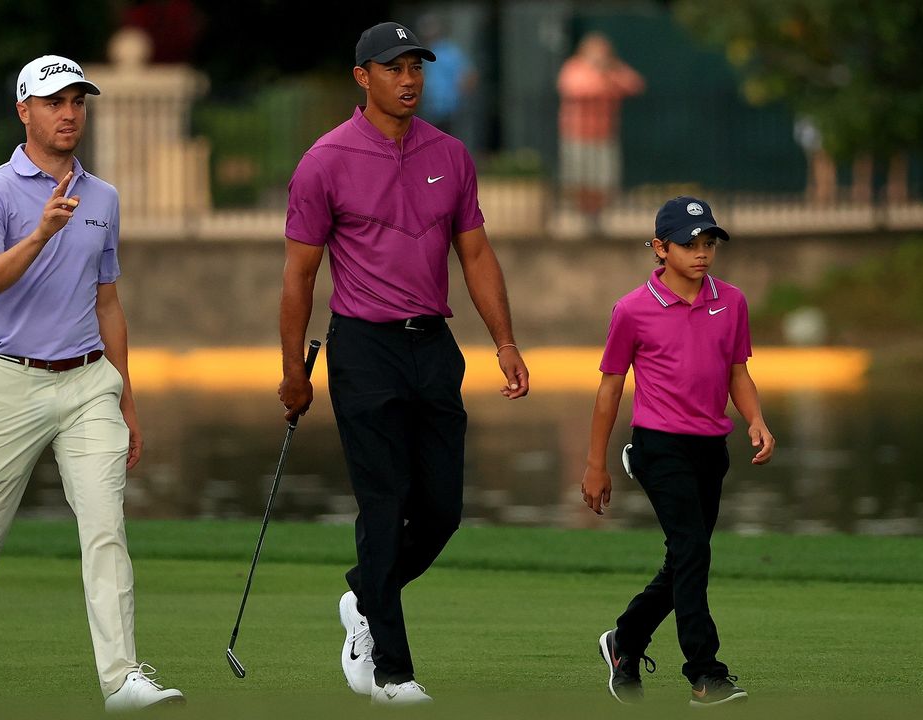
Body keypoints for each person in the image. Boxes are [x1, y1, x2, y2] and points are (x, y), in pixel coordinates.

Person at [278, 21, 530, 707]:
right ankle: (392, 670)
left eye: (417, 65)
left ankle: (364, 595)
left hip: (432, 348)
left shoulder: (451, 154)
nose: (410, 78)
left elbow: (475, 254)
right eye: (394, 67)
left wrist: (504, 340)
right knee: (384, 504)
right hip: (363, 348)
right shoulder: (324, 161)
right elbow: (299, 277)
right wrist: (293, 371)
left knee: (442, 510)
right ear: (364, 77)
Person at [0, 55, 183, 716]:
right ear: (25, 111)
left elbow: (108, 303)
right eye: (54, 101)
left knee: (105, 527)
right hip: (9, 381)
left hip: (89, 382)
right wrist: (39, 232)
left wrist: (126, 398)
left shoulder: (104, 198)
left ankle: (121, 678)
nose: (69, 113)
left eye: (77, 101)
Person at [580, 196, 775, 707]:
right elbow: (609, 390)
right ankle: (705, 674)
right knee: (692, 550)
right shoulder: (632, 309)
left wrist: (755, 419)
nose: (702, 252)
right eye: (690, 244)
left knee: (686, 556)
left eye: (708, 242)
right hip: (658, 446)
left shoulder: (731, 301)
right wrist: (595, 464)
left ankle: (625, 640)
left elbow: (738, 372)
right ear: (660, 248)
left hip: (711, 447)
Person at [557, 33, 645, 224]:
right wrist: (606, 82)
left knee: (603, 180)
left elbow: (634, 84)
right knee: (580, 179)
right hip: (577, 134)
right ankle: (584, 216)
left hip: (604, 134)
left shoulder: (614, 68)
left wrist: (609, 73)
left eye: (603, 51)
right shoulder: (574, 67)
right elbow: (578, 89)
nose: (600, 55)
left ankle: (597, 216)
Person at [418, 13, 477, 138]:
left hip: (450, 110)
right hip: (430, 108)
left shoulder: (450, 51)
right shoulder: (423, 53)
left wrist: (459, 99)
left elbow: (469, 76)